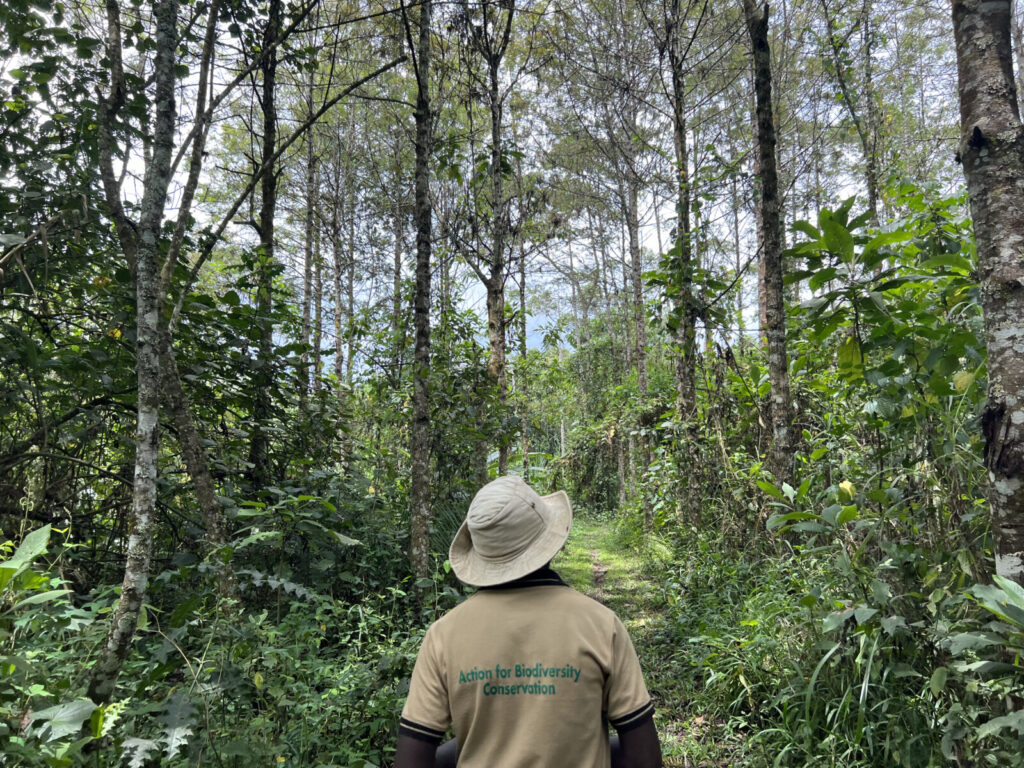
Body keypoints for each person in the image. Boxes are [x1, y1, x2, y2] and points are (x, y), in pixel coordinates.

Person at [395, 475, 662, 768]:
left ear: (482, 554)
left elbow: (413, 758)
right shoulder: (601, 625)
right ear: (551, 543)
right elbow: (644, 758)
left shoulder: (443, 635)